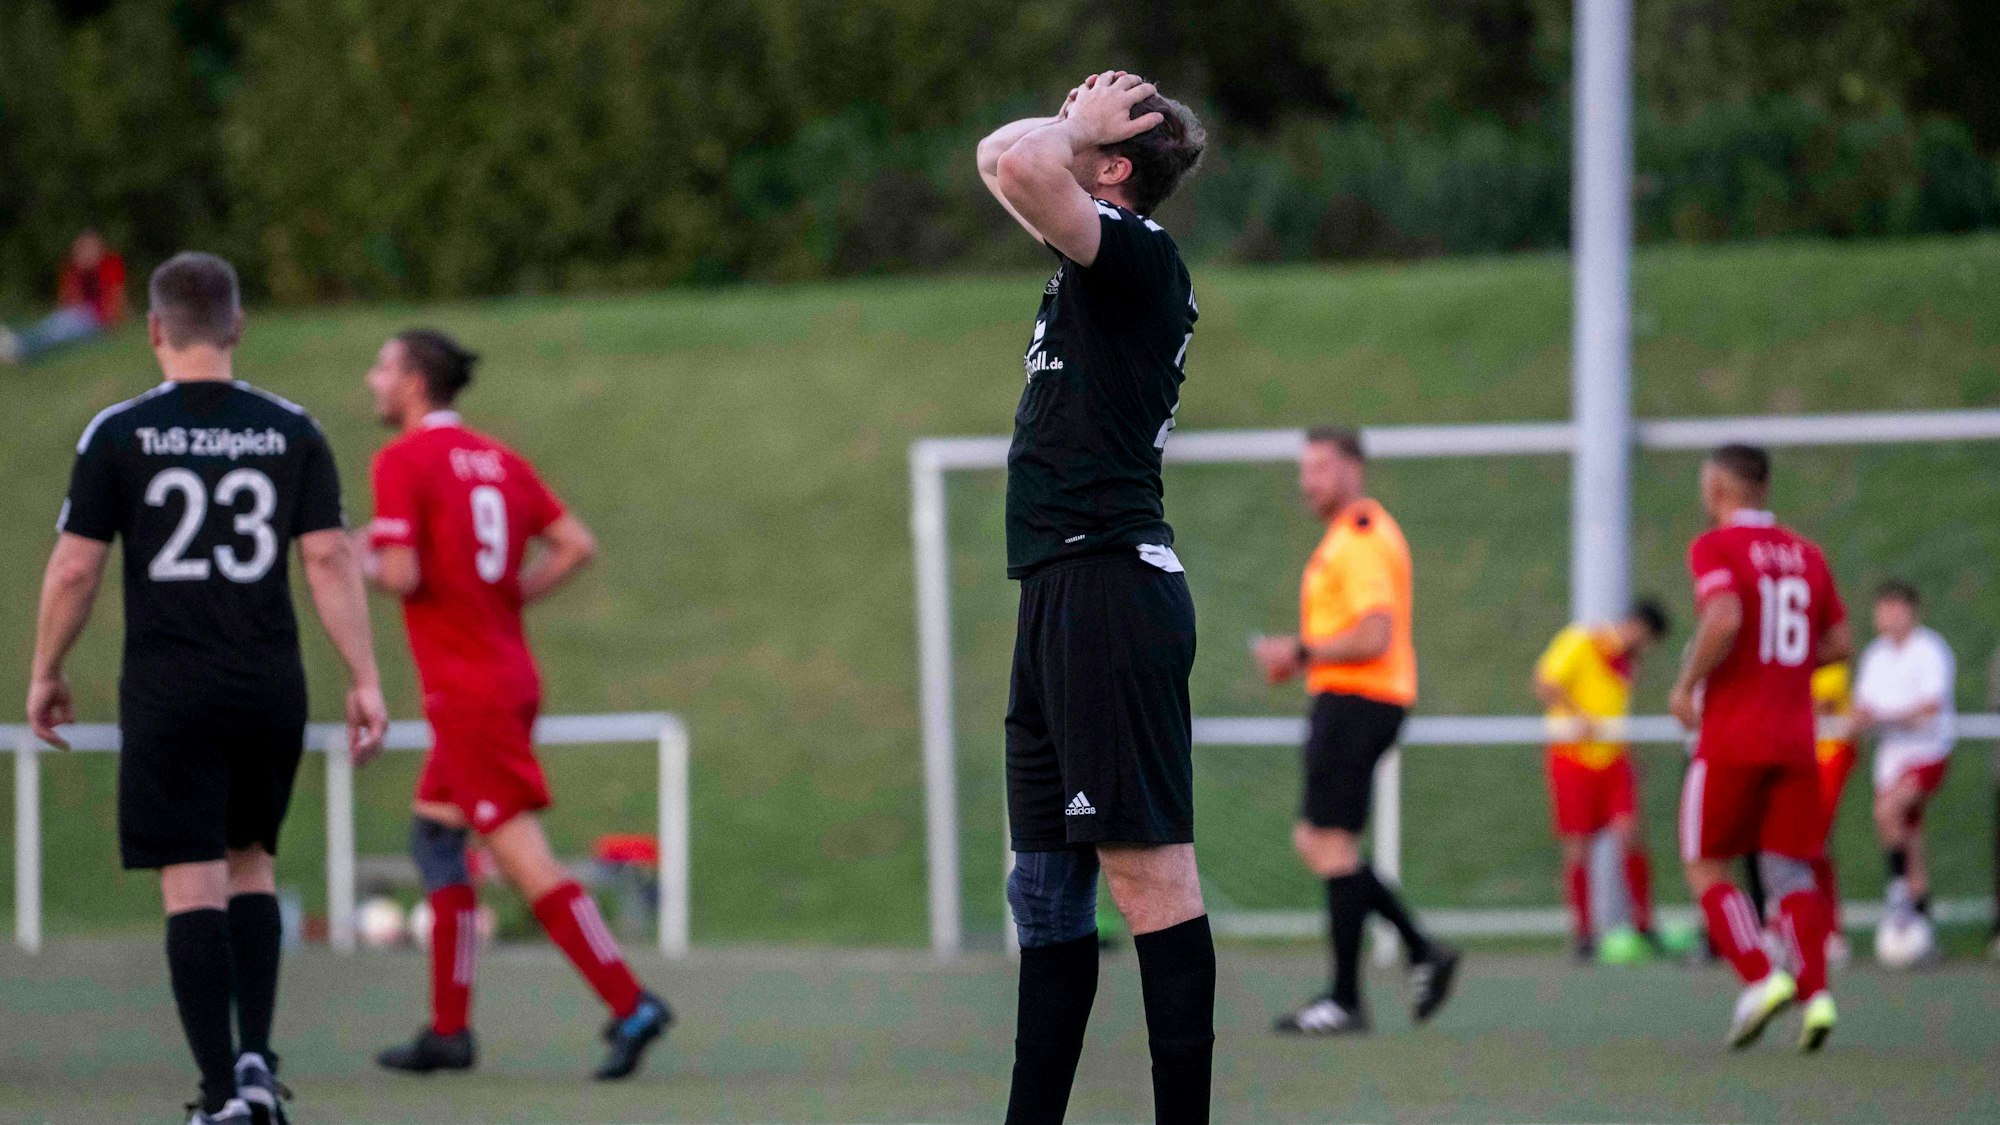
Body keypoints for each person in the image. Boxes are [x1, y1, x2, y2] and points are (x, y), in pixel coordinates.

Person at [25, 251, 388, 1125]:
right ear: (237, 327)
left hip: (170, 684)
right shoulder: (292, 428)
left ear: (154, 330)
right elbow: (330, 555)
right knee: (251, 865)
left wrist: (45, 669)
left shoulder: (118, 432)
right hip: (269, 682)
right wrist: (366, 677)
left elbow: (76, 568)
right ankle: (258, 1061)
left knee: (191, 884)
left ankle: (220, 1094)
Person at [975, 69, 1213, 1123]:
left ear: (1111, 169)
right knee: (1042, 888)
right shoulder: (1087, 249)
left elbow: (1026, 159)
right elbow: (998, 160)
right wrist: (1072, 127)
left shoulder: (1137, 257)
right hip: (1057, 591)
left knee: (1143, 875)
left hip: (1111, 589)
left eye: (1089, 129)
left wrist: (1069, 131)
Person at [357, 329, 673, 1081]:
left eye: (381, 367)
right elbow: (577, 544)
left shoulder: (402, 461)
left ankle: (631, 1003)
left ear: (411, 383)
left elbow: (399, 571)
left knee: (523, 857)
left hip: (469, 693)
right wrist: (507, 601)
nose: (371, 380)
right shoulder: (498, 458)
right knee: (435, 842)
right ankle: (448, 1032)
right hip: (504, 675)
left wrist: (340, 553)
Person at [1254, 427, 1459, 1036]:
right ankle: (1421, 953)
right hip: (1348, 701)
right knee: (1318, 841)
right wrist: (1301, 659)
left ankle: (1349, 997)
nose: (1306, 481)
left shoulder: (1363, 536)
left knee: (1329, 844)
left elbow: (1376, 635)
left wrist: (1299, 649)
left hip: (1359, 701)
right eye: (1303, 469)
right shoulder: (1344, 537)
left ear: (1351, 469)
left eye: (1318, 468)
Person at [1668, 444, 1850, 1053]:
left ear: (1717, 486)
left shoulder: (1714, 547)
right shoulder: (1807, 554)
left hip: (1734, 735)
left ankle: (1759, 977)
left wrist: (1688, 683)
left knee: (1705, 863)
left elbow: (1722, 618)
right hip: (1797, 739)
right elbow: (1840, 641)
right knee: (1791, 872)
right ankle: (1817, 994)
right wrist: (1784, 663)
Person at [1531, 600, 1671, 961]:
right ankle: (1583, 933)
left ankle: (1644, 924)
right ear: (1637, 626)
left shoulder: (1627, 663)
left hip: (1613, 760)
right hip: (1572, 757)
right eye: (1648, 639)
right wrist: (1579, 717)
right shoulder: (1582, 640)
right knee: (1577, 845)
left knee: (1631, 834)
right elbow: (1545, 683)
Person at [1852, 581, 1955, 940]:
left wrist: (1885, 717)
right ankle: (1922, 921)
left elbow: (1929, 708)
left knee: (1888, 811)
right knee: (1910, 838)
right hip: (1890, 759)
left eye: (1898, 608)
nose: (1890, 616)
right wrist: (1866, 719)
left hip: (1926, 753)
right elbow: (1863, 708)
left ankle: (1897, 891)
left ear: (1912, 611)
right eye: (1884, 608)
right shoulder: (1875, 655)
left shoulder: (1930, 650)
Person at [0, 229, 127, 364]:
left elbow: (116, 297)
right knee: (53, 325)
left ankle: (18, 346)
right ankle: (18, 344)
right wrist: (79, 273)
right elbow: (69, 301)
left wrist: (112, 325)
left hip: (97, 318)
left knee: (59, 333)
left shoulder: (110, 263)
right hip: (77, 315)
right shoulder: (75, 269)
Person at [1809, 661, 1858, 966]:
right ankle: (1786, 927)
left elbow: (1822, 706)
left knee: (1813, 843)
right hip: (1794, 754)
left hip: (1827, 757)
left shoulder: (1830, 667)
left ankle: (1831, 933)